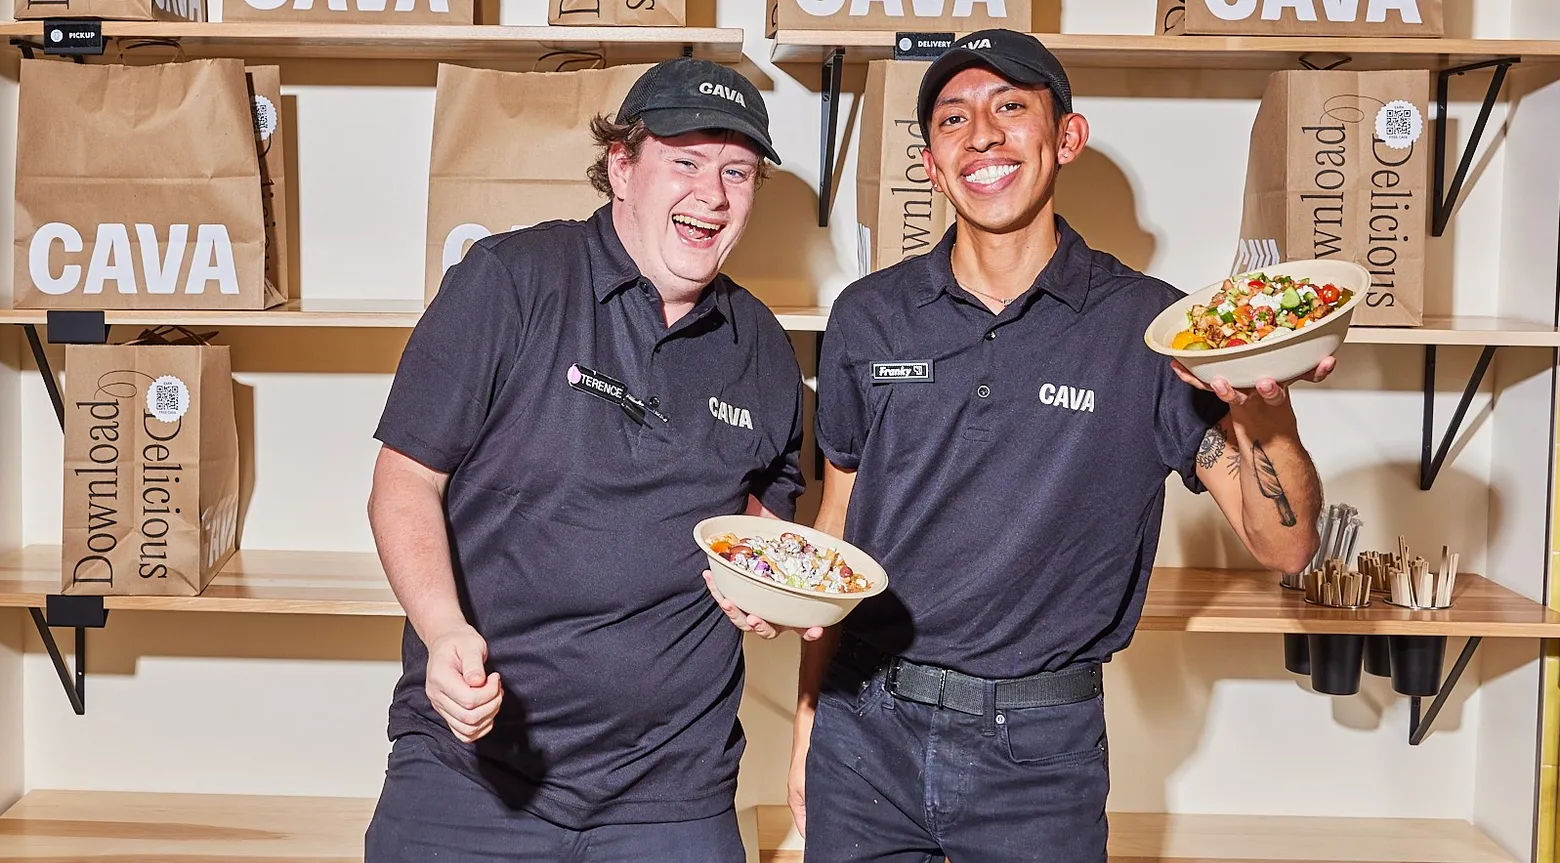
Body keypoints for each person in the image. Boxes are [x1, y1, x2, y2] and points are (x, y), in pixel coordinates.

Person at [706, 29, 1331, 862]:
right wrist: (809, 717)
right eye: (955, 120)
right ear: (931, 162)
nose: (984, 135)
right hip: (866, 730)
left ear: (1067, 136)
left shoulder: (1151, 329)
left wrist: (1268, 407)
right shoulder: (868, 315)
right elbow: (839, 524)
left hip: (1040, 754)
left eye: (1011, 107)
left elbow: (1284, 543)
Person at [364, 57, 804, 863]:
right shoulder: (509, 281)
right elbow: (404, 481)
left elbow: (762, 532)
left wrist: (765, 590)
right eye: (686, 161)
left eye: (737, 171)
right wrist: (442, 628)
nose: (712, 194)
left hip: (673, 794)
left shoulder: (767, 351)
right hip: (473, 771)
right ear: (622, 167)